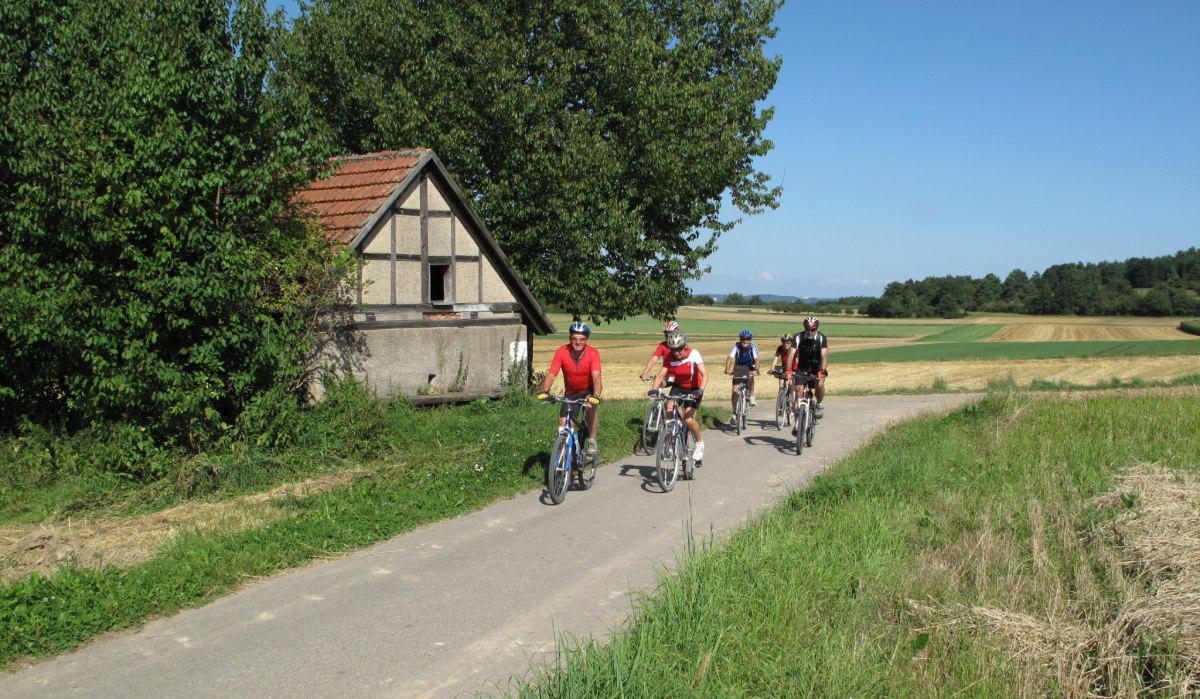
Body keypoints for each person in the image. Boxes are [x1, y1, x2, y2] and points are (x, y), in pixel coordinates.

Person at [538, 321, 603, 456]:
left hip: (589, 391)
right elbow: (551, 374)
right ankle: (563, 462)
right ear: (570, 338)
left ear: (586, 339)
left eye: (582, 339)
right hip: (571, 392)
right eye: (574, 338)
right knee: (563, 427)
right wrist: (545, 391)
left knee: (591, 407)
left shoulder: (593, 353)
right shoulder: (561, 352)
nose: (578, 342)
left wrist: (595, 395)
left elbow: (596, 377)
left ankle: (591, 440)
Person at [649, 331, 708, 460]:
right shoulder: (670, 357)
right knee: (669, 416)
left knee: (688, 419)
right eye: (674, 350)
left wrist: (700, 390)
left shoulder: (694, 354)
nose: (677, 353)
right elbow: (660, 376)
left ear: (684, 346)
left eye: (679, 349)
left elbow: (705, 375)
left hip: (694, 389)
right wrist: (654, 390)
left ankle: (699, 443)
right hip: (679, 387)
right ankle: (670, 445)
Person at [787, 316, 828, 429]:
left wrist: (822, 370)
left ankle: (819, 404)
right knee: (798, 394)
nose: (810, 332)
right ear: (804, 328)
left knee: (820, 384)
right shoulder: (798, 337)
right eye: (808, 329)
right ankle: (797, 423)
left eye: (812, 329)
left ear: (816, 328)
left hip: (817, 367)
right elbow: (791, 354)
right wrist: (789, 370)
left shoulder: (821, 338)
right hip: (802, 367)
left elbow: (824, 355)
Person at [724, 329, 759, 412]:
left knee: (750, 377)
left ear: (750, 340)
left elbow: (757, 360)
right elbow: (730, 358)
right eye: (743, 339)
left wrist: (756, 370)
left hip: (750, 367)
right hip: (738, 368)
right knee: (734, 391)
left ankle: (751, 395)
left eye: (747, 339)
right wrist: (727, 369)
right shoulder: (736, 346)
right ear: (740, 339)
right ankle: (734, 412)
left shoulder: (753, 346)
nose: (745, 341)